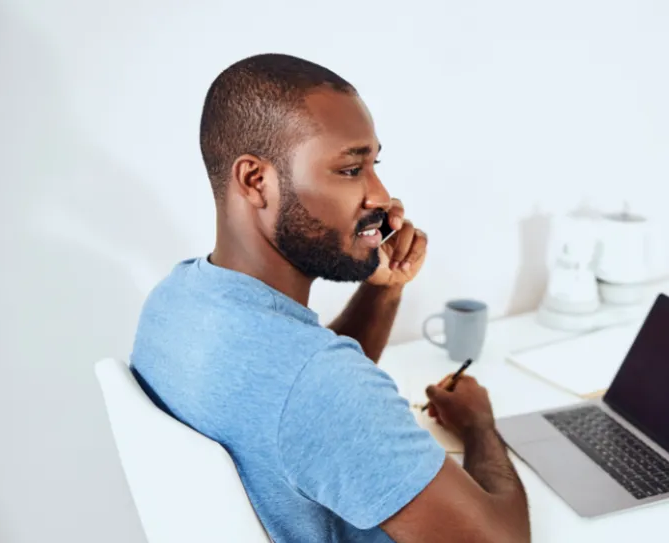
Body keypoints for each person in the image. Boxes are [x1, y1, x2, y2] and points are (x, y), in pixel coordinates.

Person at [130, 53, 530, 543]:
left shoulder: (176, 300)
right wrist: (479, 427)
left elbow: (295, 396)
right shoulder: (317, 384)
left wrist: (383, 291)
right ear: (256, 181)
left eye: (375, 164)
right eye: (350, 169)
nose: (381, 195)